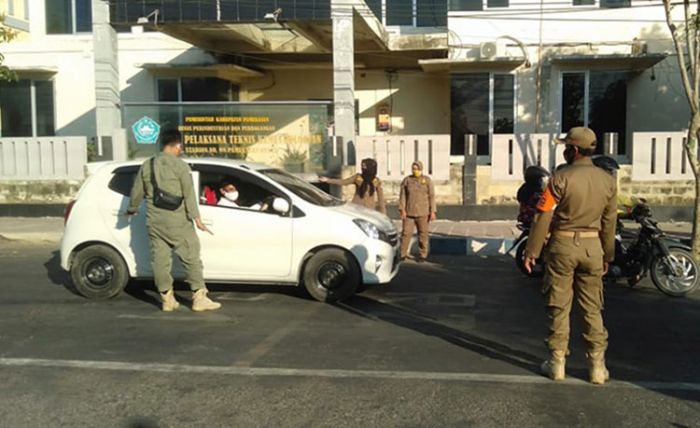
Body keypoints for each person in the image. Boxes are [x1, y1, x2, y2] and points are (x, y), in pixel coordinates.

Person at [523, 127, 617, 385]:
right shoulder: (608, 180)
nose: (564, 150)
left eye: (566, 146)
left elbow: (544, 215)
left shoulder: (559, 179)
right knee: (592, 307)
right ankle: (597, 366)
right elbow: (609, 222)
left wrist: (533, 251)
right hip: (593, 248)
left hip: (562, 247)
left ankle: (557, 363)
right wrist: (608, 255)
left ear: (573, 150)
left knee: (559, 304)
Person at [125, 131, 221, 312]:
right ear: (177, 145)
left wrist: (131, 209)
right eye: (181, 147)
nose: (181, 150)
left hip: (154, 220)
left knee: (160, 260)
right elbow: (189, 194)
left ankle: (167, 299)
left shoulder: (148, 164)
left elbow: (137, 191)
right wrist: (197, 218)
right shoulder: (180, 166)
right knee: (191, 257)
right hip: (178, 220)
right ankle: (199, 298)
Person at [399, 160, 436, 262]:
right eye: (413, 168)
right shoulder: (407, 180)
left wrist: (432, 211)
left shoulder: (427, 180)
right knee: (406, 233)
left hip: (423, 212)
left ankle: (422, 255)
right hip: (409, 212)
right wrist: (402, 209)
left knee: (423, 234)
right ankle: (402, 253)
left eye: (417, 169)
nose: (415, 170)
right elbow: (402, 196)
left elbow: (431, 196)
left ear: (421, 169)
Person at [319, 158, 386, 214]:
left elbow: (381, 199)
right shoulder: (357, 177)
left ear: (370, 167)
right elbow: (343, 182)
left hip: (370, 210)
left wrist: (383, 214)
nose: (362, 167)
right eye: (362, 166)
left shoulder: (376, 181)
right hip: (356, 207)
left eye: (364, 166)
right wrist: (328, 180)